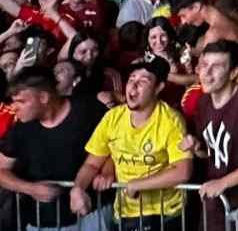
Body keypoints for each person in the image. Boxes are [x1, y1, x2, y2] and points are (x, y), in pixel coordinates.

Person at [70, 58, 193, 231]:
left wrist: (137, 184)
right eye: (131, 79)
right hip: (124, 211)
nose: (133, 86)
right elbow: (92, 163)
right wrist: (78, 188)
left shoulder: (171, 120)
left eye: (143, 81)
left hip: (165, 213)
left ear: (158, 88)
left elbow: (183, 171)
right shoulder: (112, 117)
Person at [0, 66, 108, 231]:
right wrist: (30, 189)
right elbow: (1, 170)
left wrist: (108, 171)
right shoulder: (21, 129)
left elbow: (116, 147)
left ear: (43, 97)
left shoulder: (89, 111)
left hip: (93, 215)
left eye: (21, 101)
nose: (14, 107)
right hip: (41, 221)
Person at [182, 40, 238, 231]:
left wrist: (223, 183)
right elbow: (210, 153)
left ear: (234, 73)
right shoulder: (203, 103)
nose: (207, 73)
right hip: (215, 201)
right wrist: (196, 146)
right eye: (204, 65)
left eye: (217, 66)